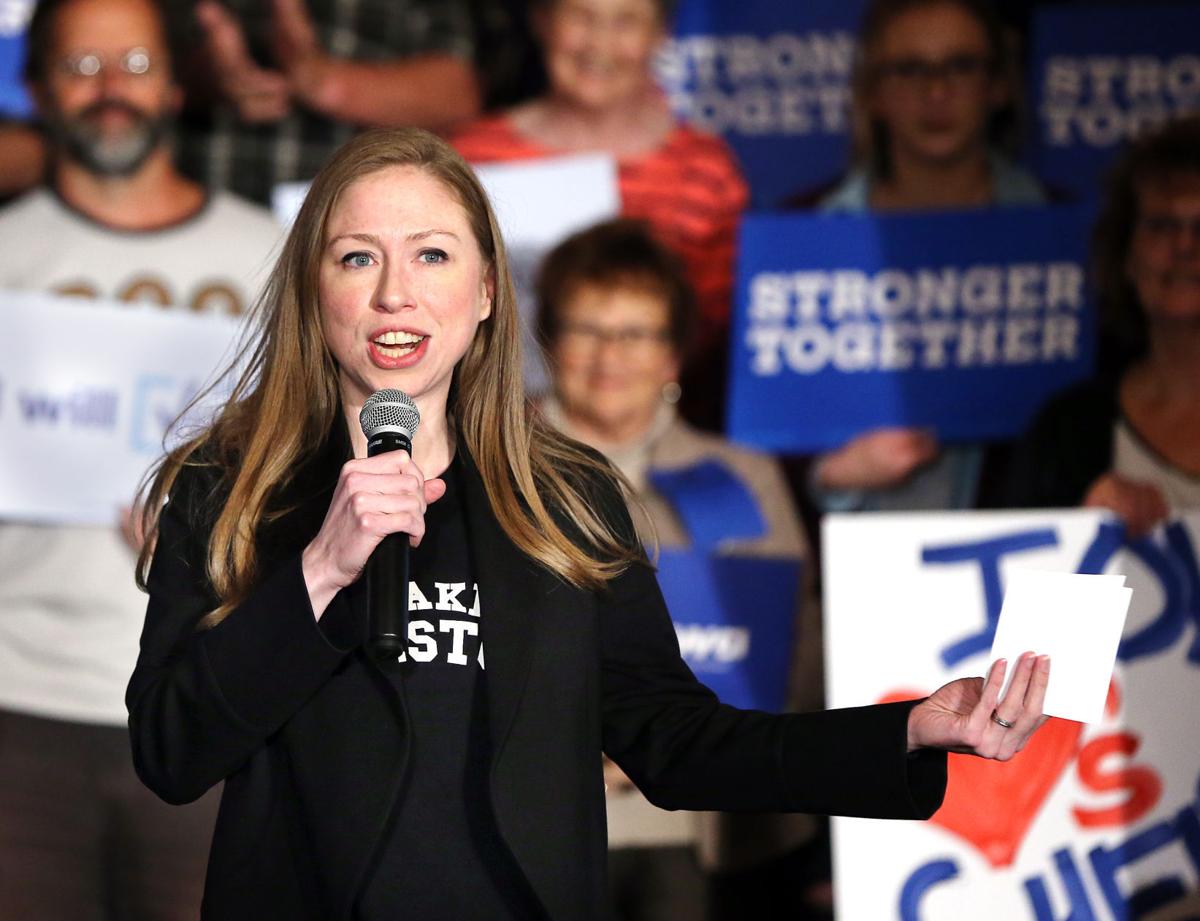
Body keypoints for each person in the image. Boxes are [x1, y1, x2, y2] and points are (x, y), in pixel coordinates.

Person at [127, 126, 1050, 921]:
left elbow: (676, 742)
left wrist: (903, 733)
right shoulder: (231, 487)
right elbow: (171, 751)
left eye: (432, 254)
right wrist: (321, 570)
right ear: (313, 288)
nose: (394, 293)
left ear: (487, 293)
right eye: (357, 256)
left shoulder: (568, 497)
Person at [0, 0, 281, 917]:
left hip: (212, 698)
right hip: (18, 698)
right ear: (37, 88)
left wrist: (225, 540)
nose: (111, 89)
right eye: (81, 67)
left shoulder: (273, 257)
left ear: (175, 83)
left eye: (133, 62)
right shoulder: (5, 255)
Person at [535, 219, 815, 919]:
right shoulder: (490, 462)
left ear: (672, 353)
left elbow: (791, 650)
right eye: (587, 329)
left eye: (636, 333)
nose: (610, 356)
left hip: (695, 829)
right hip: (531, 816)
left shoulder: (742, 476)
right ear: (549, 339)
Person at [797, 0, 1048, 518]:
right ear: (873, 92)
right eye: (910, 69)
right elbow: (764, 430)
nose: (936, 91)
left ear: (998, 86)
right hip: (852, 557)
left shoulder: (1060, 231)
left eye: (961, 65)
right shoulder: (802, 232)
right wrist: (828, 475)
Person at [449, 0, 748, 430]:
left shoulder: (708, 171)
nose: (600, 43)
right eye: (581, 17)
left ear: (660, 34)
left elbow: (715, 335)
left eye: (626, 21)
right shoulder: (472, 158)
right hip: (498, 433)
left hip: (653, 439)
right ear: (542, 22)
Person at [1006, 116, 1200, 528]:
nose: (1185, 246)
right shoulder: (1065, 432)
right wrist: (1080, 529)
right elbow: (1020, 568)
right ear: (1126, 256)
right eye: (1161, 226)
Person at [149, 0, 480, 206]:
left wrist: (325, 83)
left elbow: (458, 94)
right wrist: (212, 80)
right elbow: (130, 69)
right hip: (201, 220)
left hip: (349, 226)